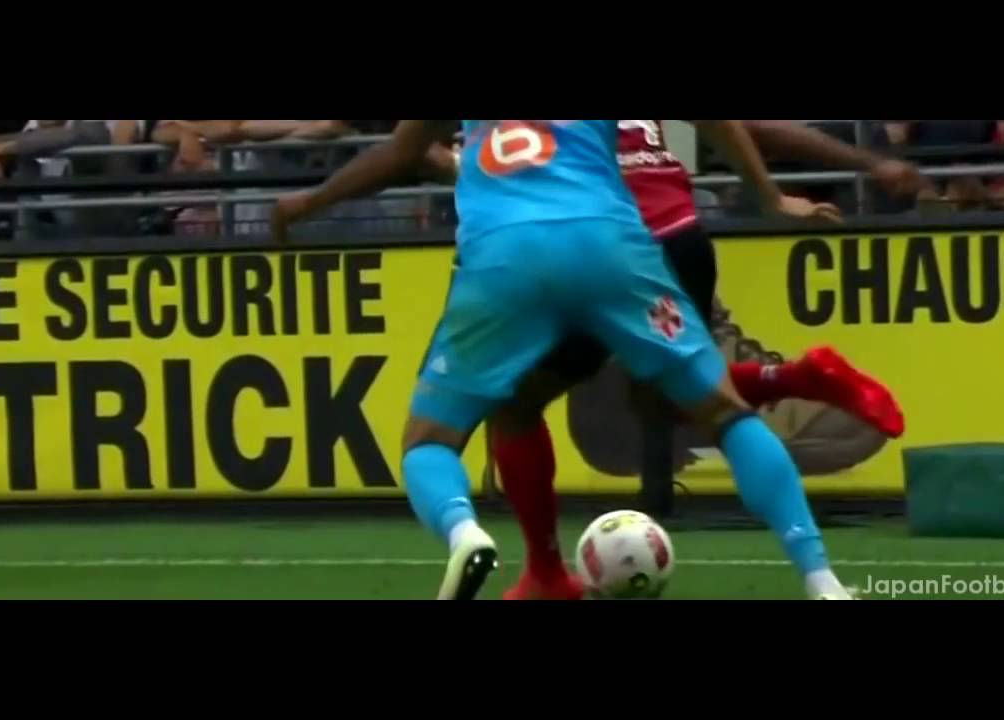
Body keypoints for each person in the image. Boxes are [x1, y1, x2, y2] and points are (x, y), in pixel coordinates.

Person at [276, 119, 854, 600]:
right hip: (609, 244)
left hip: (505, 257)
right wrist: (771, 196)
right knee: (723, 413)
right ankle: (821, 578)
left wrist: (309, 200)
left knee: (431, 441)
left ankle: (464, 532)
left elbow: (401, 152)